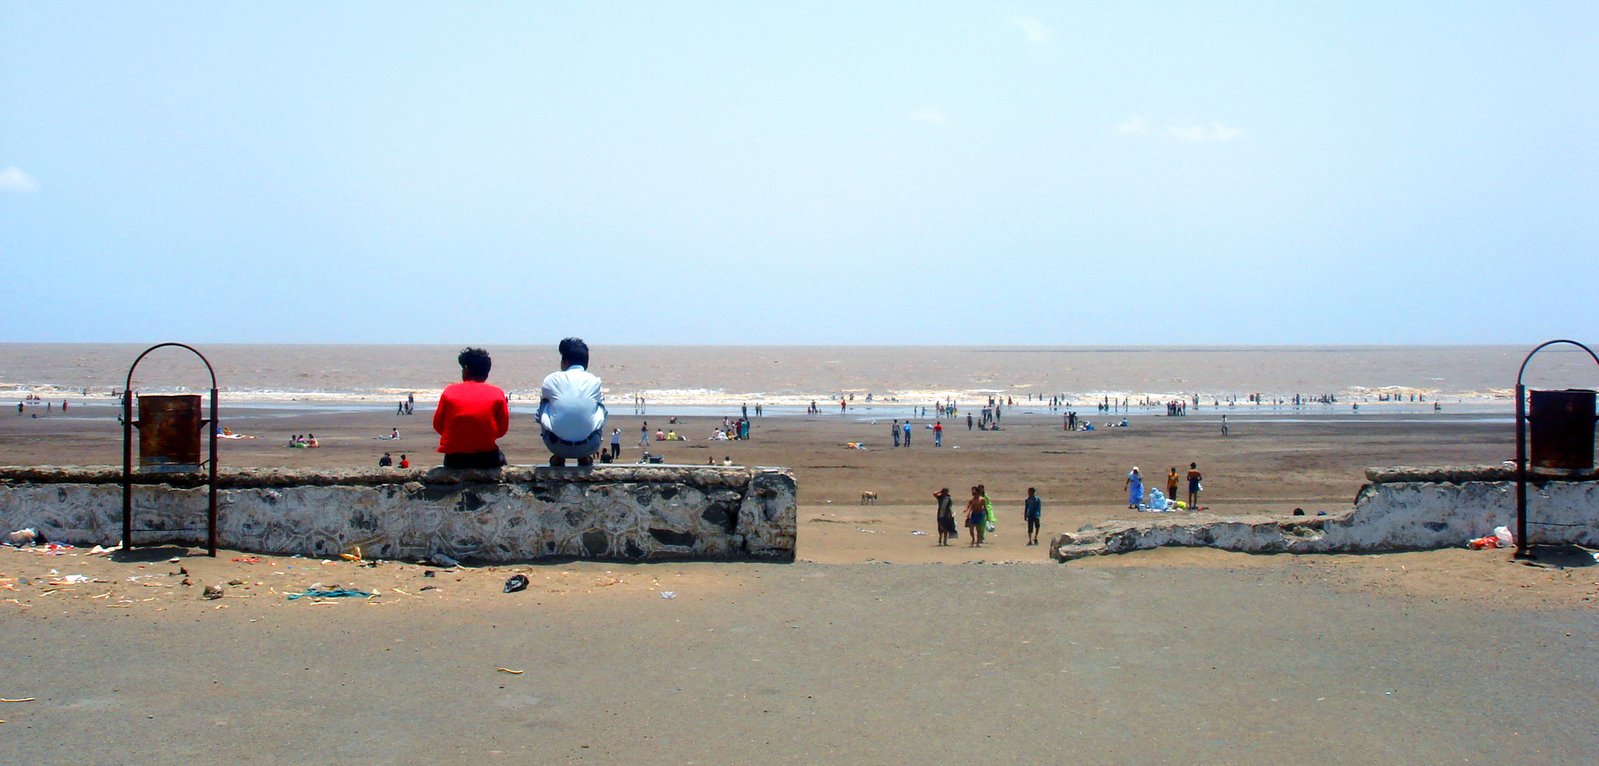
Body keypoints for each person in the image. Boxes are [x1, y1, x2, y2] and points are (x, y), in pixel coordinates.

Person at [432, 347, 510, 469]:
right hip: (487, 457)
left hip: (455, 459)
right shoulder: (497, 393)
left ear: (466, 370)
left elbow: (438, 425)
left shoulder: (450, 391)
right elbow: (502, 430)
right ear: (486, 373)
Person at [537, 337, 607, 467]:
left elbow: (542, 412)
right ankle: (584, 457)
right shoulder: (594, 380)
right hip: (589, 445)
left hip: (556, 446)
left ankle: (559, 457)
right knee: (600, 407)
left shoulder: (551, 379)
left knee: (545, 404)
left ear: (565, 361)